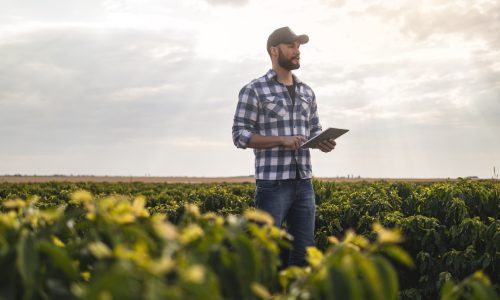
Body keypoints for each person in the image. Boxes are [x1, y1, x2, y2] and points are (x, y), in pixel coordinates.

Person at [232, 26, 336, 267]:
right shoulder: (254, 90)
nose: (297, 51)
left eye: (299, 46)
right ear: (274, 50)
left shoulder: (307, 92)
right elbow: (240, 135)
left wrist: (322, 141)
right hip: (272, 185)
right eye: (291, 46)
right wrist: (281, 139)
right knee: (265, 253)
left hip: (304, 183)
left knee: (304, 253)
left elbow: (314, 128)